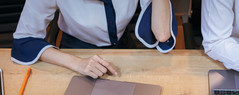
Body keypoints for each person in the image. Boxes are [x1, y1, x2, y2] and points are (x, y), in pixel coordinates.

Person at [11, 0, 177, 79]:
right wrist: (77, 63)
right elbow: (24, 40)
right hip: (76, 51)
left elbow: (162, 34)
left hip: (123, 47)